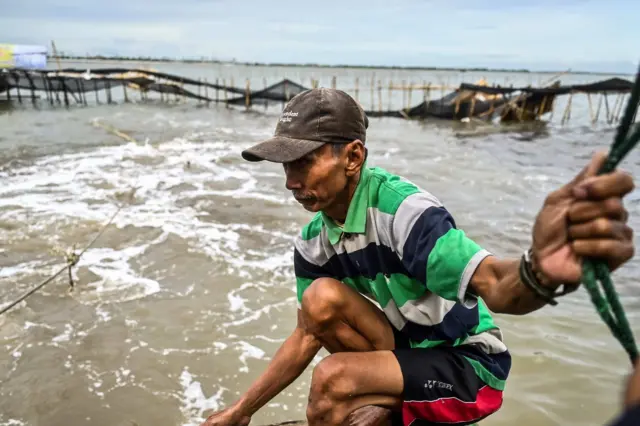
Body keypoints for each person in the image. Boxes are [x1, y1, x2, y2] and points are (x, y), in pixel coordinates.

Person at [201, 88, 635, 426]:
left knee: (332, 381)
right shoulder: (314, 240)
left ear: (353, 156)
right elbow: (306, 333)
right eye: (285, 166)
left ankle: (393, 406)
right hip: (404, 351)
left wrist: (538, 268)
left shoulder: (404, 214)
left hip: (468, 366)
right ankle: (391, 402)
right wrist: (242, 410)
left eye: (304, 162)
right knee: (319, 301)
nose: (291, 182)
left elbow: (496, 285)